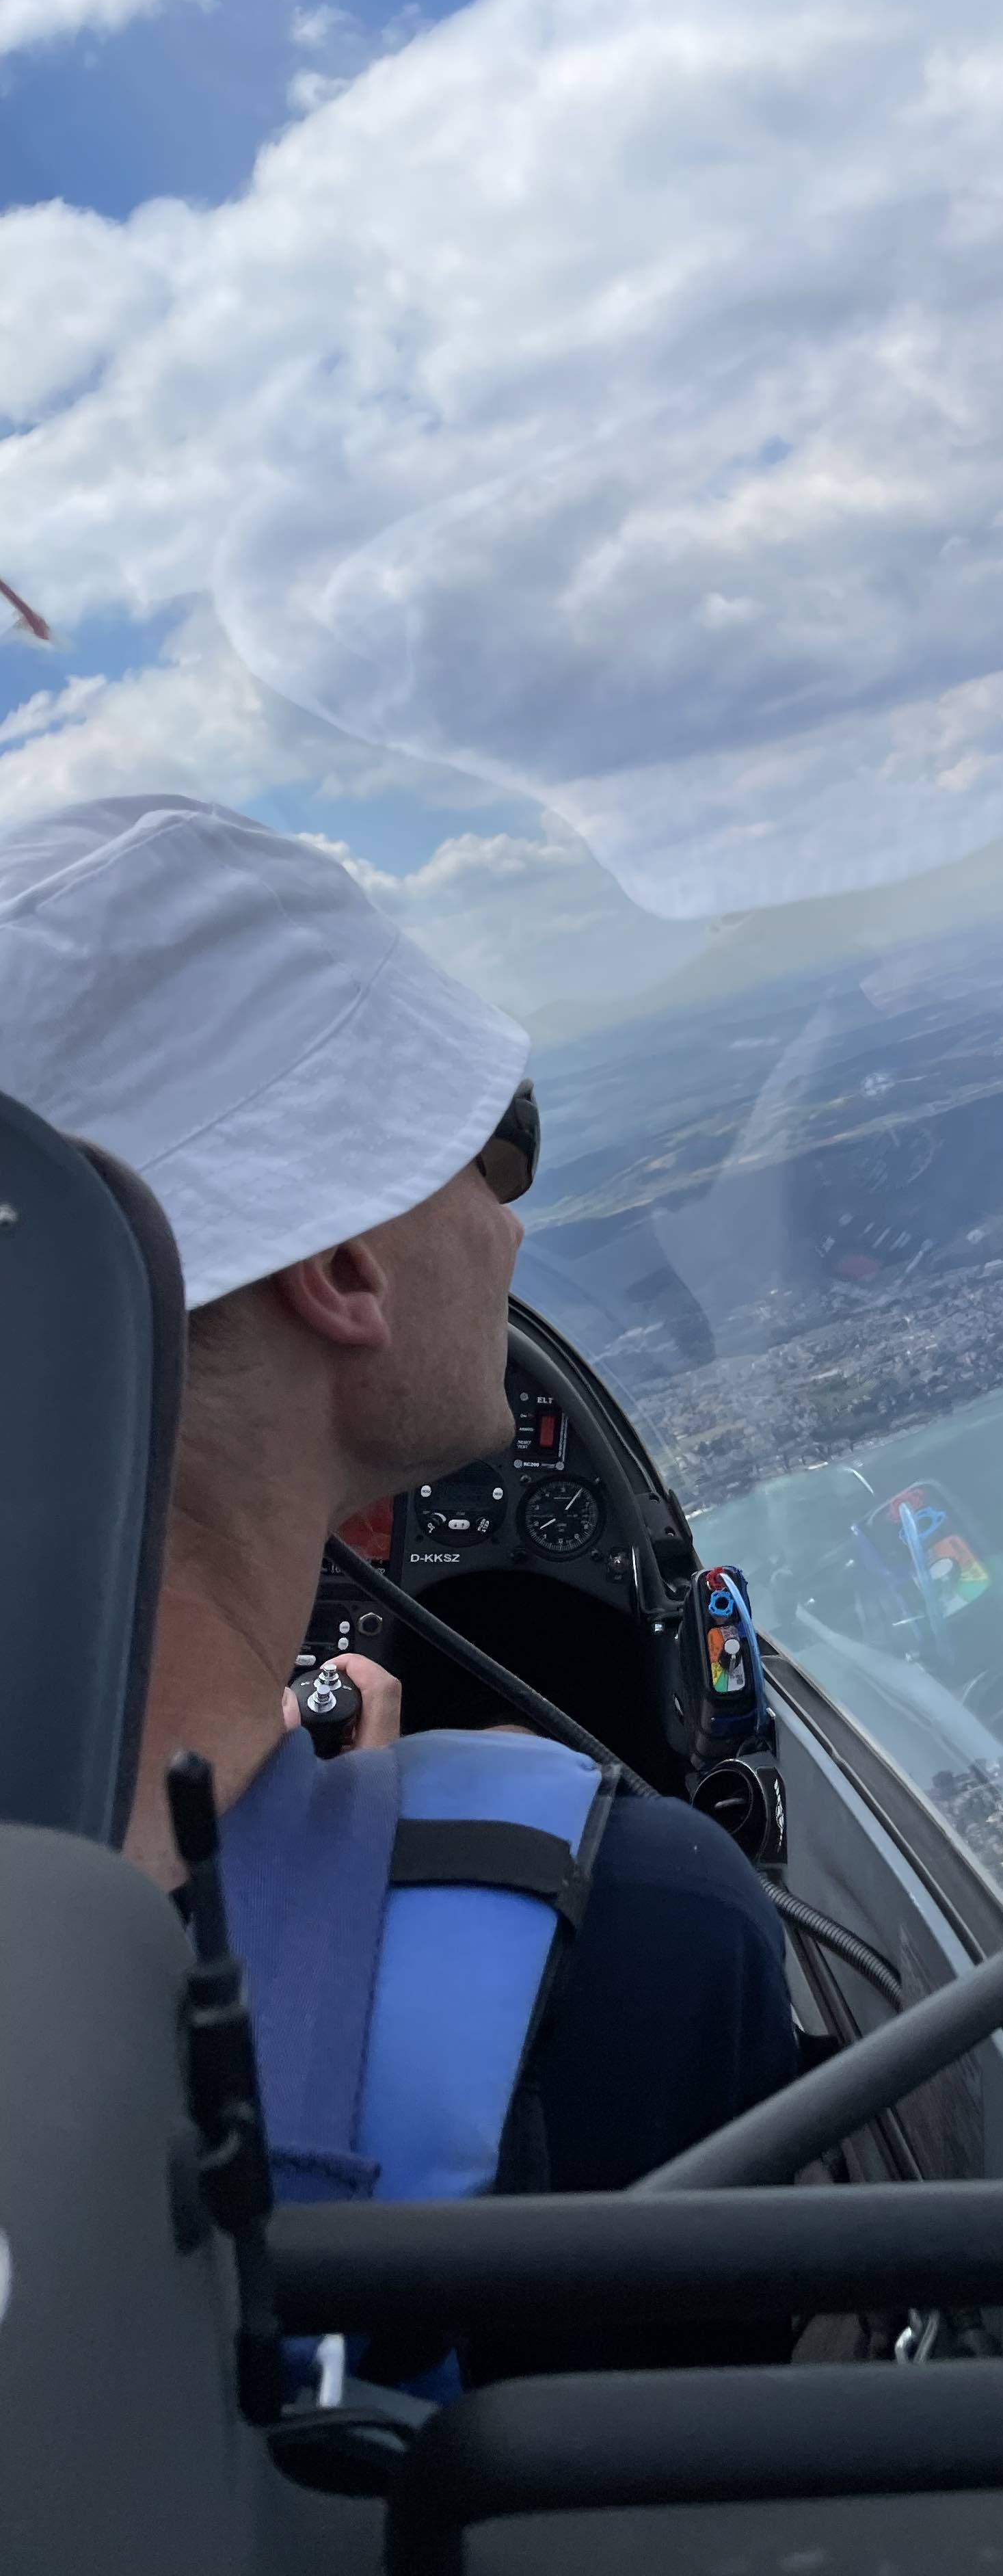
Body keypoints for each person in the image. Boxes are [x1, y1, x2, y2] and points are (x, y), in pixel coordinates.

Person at [0, 793, 795, 2196]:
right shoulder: (635, 1944)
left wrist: (327, 1834)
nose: (508, 1219)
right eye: (481, 1150)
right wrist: (364, 1873)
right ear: (344, 1266)